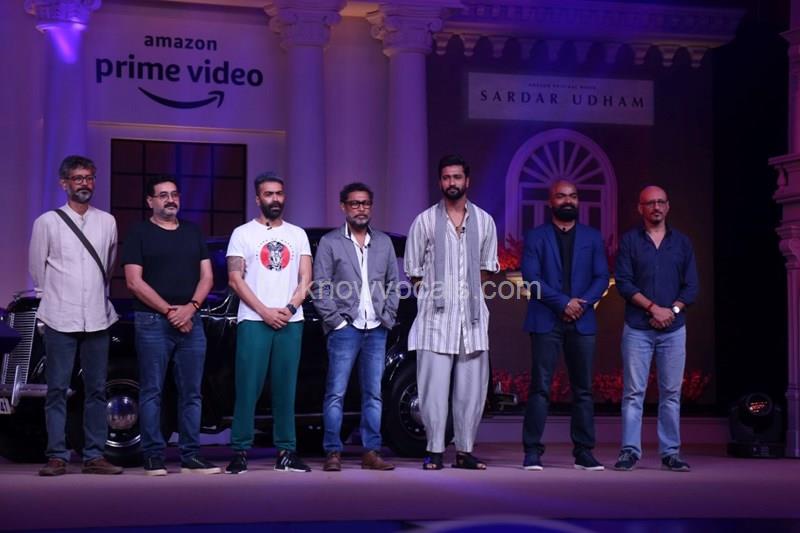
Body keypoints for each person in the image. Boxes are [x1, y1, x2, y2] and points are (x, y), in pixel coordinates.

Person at [29, 155, 123, 476]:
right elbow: (37, 269)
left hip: (97, 315)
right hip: (59, 315)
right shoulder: (47, 222)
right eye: (78, 178)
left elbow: (108, 266)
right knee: (57, 389)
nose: (85, 183)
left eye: (89, 178)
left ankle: (94, 455)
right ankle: (57, 455)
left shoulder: (107, 221)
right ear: (64, 183)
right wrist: (49, 304)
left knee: (96, 389)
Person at [404, 154, 499, 470]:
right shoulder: (425, 221)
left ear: (467, 180)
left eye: (457, 177)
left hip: (472, 320)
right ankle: (434, 450)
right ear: (440, 182)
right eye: (446, 177)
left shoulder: (484, 221)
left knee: (471, 391)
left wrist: (466, 294)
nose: (452, 182)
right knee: (432, 390)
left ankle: (464, 451)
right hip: (435, 320)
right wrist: (435, 295)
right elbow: (414, 270)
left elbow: (487, 268)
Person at [122, 176, 220, 476]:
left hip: (191, 320)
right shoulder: (138, 233)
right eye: (163, 195)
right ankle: (153, 456)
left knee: (192, 392)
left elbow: (207, 277)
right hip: (152, 321)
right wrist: (168, 311)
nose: (170, 200)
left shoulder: (193, 232)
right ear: (149, 201)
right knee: (152, 390)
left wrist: (190, 309)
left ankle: (191, 456)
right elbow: (133, 282)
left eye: (174, 194)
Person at [224, 172, 312, 474]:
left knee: (286, 389)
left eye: (279, 193)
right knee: (247, 387)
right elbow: (235, 279)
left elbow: (306, 277)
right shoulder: (242, 234)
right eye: (268, 194)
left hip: (291, 320)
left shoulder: (297, 234)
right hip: (253, 319)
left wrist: (289, 308)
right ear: (258, 198)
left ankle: (286, 452)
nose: (275, 199)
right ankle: (240, 451)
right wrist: (264, 311)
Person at [520, 180, 610, 471]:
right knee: (540, 388)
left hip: (582, 320)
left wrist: (580, 304)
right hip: (546, 319)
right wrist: (563, 303)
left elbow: (601, 277)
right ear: (551, 202)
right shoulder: (536, 236)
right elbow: (531, 278)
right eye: (561, 196)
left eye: (572, 196)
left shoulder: (592, 237)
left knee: (583, 390)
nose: (567, 201)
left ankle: (584, 452)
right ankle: (532, 451)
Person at [312, 182, 399, 472]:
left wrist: (387, 316)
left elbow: (393, 283)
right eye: (354, 203)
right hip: (344, 329)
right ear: (343, 207)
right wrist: (336, 321)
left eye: (365, 203)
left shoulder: (384, 242)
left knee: (373, 393)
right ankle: (333, 452)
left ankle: (371, 452)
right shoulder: (330, 242)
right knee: (336, 392)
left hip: (376, 328)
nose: (360, 208)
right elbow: (320, 286)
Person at [613, 185, 699, 472]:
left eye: (661, 202)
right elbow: (624, 283)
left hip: (673, 329)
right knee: (633, 393)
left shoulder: (682, 243)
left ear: (668, 206)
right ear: (640, 208)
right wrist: (653, 308)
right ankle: (629, 452)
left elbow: (691, 287)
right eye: (650, 203)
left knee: (671, 394)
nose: (656, 207)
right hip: (638, 328)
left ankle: (670, 453)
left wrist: (670, 312)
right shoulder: (630, 242)